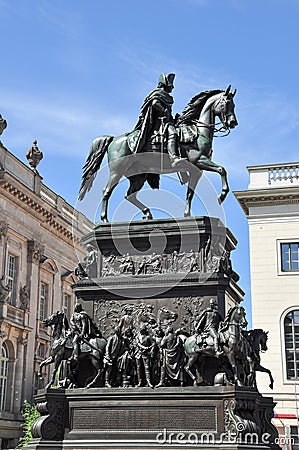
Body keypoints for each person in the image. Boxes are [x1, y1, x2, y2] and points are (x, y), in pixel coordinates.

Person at [133, 73, 187, 169]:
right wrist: (164, 110)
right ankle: (173, 158)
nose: (172, 88)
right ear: (164, 84)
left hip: (168, 121)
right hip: (160, 123)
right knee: (173, 133)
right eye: (170, 86)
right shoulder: (158, 93)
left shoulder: (168, 97)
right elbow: (155, 103)